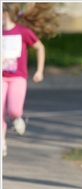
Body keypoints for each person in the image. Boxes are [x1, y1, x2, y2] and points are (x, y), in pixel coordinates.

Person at [2, 3, 59, 157]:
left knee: (13, 110)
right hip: (1, 78)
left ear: (5, 14)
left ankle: (17, 118)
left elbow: (40, 47)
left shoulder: (22, 32)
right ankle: (2, 143)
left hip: (17, 78)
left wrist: (40, 71)